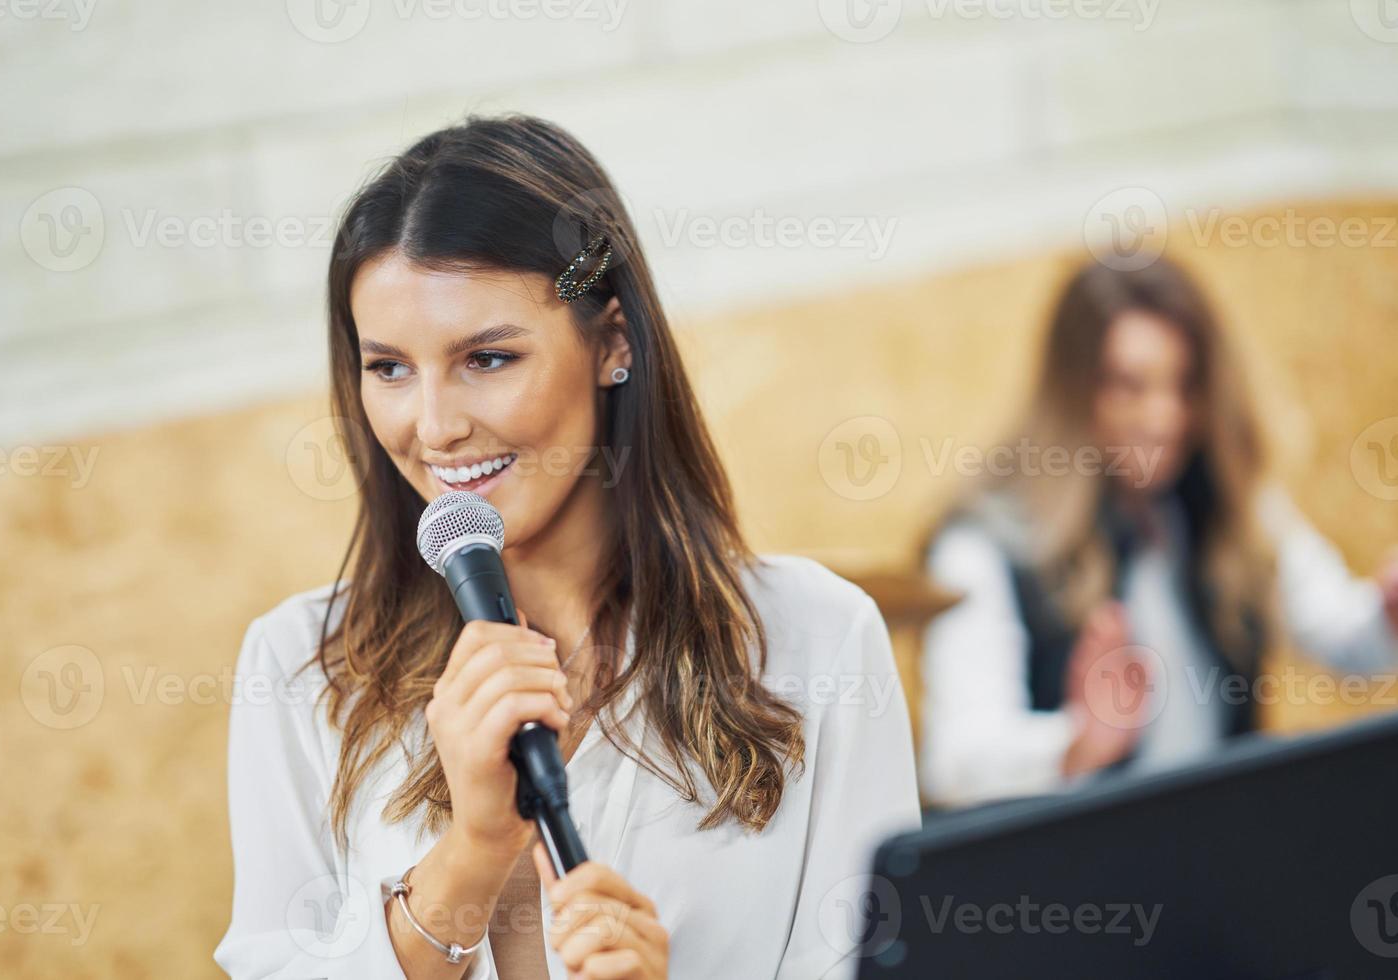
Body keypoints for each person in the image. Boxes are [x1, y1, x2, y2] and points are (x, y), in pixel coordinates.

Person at [213, 114, 920, 979]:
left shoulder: (820, 638)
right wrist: (468, 855)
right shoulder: (299, 668)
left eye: (487, 358)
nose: (434, 427)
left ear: (612, 343)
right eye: (389, 368)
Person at [917, 257, 1398, 809]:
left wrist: (1387, 617)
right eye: (1130, 385)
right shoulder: (983, 548)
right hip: (1074, 884)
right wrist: (1076, 743)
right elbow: (954, 762)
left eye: (1183, 385)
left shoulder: (1229, 502)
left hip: (1222, 854)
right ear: (1072, 392)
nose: (1164, 416)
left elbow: (1343, 636)